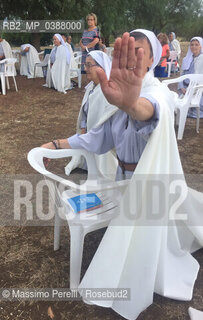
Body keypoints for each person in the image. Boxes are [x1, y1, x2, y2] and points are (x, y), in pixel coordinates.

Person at [41, 29, 203, 320]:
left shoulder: (158, 93)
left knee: (149, 251)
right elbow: (97, 137)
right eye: (126, 53)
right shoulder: (115, 95)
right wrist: (56, 144)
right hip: (120, 182)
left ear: (153, 58)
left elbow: (152, 111)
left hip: (148, 186)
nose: (132, 59)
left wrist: (131, 104)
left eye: (139, 52)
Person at [64, 50, 118, 177]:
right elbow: (85, 112)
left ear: (101, 68)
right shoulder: (91, 88)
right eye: (85, 65)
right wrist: (83, 129)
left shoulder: (108, 92)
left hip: (102, 141)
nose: (86, 68)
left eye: (89, 65)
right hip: (88, 134)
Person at [178, 36, 203, 118]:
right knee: (179, 104)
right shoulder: (186, 59)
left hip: (198, 88)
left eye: (196, 44)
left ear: (201, 46)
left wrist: (192, 89)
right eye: (192, 45)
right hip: (185, 88)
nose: (194, 47)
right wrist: (181, 87)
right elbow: (181, 75)